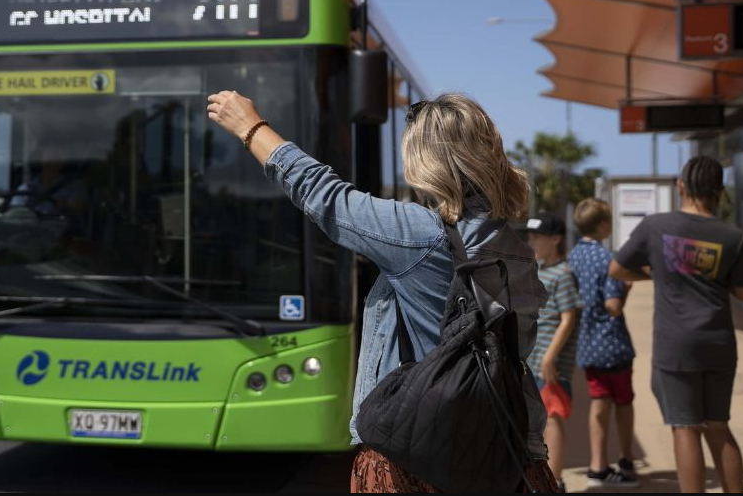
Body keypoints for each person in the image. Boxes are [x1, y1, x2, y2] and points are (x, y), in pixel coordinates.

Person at [206, 90, 558, 492]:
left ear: (427, 161)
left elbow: (326, 196)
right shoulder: (517, 250)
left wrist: (250, 127)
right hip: (507, 452)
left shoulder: (423, 236)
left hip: (419, 454)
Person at [610, 156, 743, 494]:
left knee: (686, 427)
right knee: (719, 426)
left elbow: (617, 269)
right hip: (719, 344)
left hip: (675, 345)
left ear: (680, 186)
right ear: (720, 191)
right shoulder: (734, 236)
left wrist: (656, 274)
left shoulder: (656, 226)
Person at [567, 198, 639, 488]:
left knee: (598, 402)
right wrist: (625, 291)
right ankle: (625, 459)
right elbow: (613, 307)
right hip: (613, 343)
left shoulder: (573, 257)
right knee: (623, 402)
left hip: (586, 344)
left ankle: (597, 465)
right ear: (601, 225)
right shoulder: (607, 259)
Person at [520, 212, 581, 493]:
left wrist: (549, 356)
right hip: (534, 361)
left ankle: (555, 481)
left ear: (555, 239)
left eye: (537, 237)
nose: (531, 242)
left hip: (550, 364)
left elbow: (568, 318)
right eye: (530, 236)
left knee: (553, 418)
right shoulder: (539, 270)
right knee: (540, 419)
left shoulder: (564, 274)